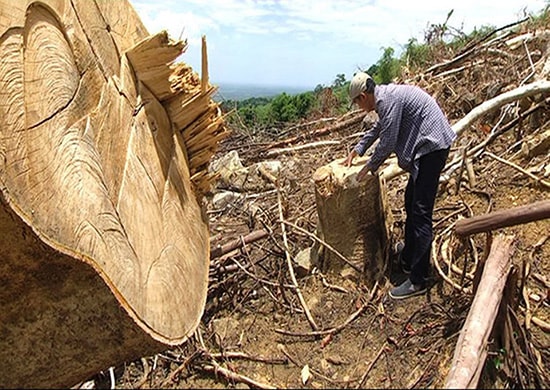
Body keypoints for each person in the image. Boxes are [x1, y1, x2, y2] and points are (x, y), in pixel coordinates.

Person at [342, 71, 456, 300]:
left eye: (356, 103)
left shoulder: (387, 100)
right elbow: (379, 129)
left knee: (421, 212)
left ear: (363, 96)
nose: (358, 107)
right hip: (428, 148)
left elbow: (388, 141)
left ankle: (418, 279)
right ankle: (409, 255)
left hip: (432, 148)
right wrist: (359, 148)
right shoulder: (384, 98)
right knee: (410, 199)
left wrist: (369, 168)